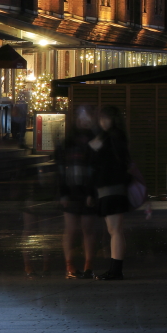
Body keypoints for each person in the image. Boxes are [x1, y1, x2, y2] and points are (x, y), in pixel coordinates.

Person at [90, 105, 141, 280]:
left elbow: (109, 163)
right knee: (114, 230)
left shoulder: (112, 138)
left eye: (106, 118)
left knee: (115, 230)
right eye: (101, 119)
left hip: (112, 187)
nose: (102, 122)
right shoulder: (113, 137)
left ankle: (116, 270)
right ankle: (115, 269)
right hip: (111, 188)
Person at [57, 106, 102, 279]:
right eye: (80, 118)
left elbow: (97, 167)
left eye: (86, 119)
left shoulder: (95, 140)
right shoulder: (68, 142)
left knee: (87, 228)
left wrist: (92, 192)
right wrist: (63, 193)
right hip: (71, 189)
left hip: (88, 190)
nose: (83, 122)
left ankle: (88, 265)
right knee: (71, 229)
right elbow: (61, 170)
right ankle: (70, 265)